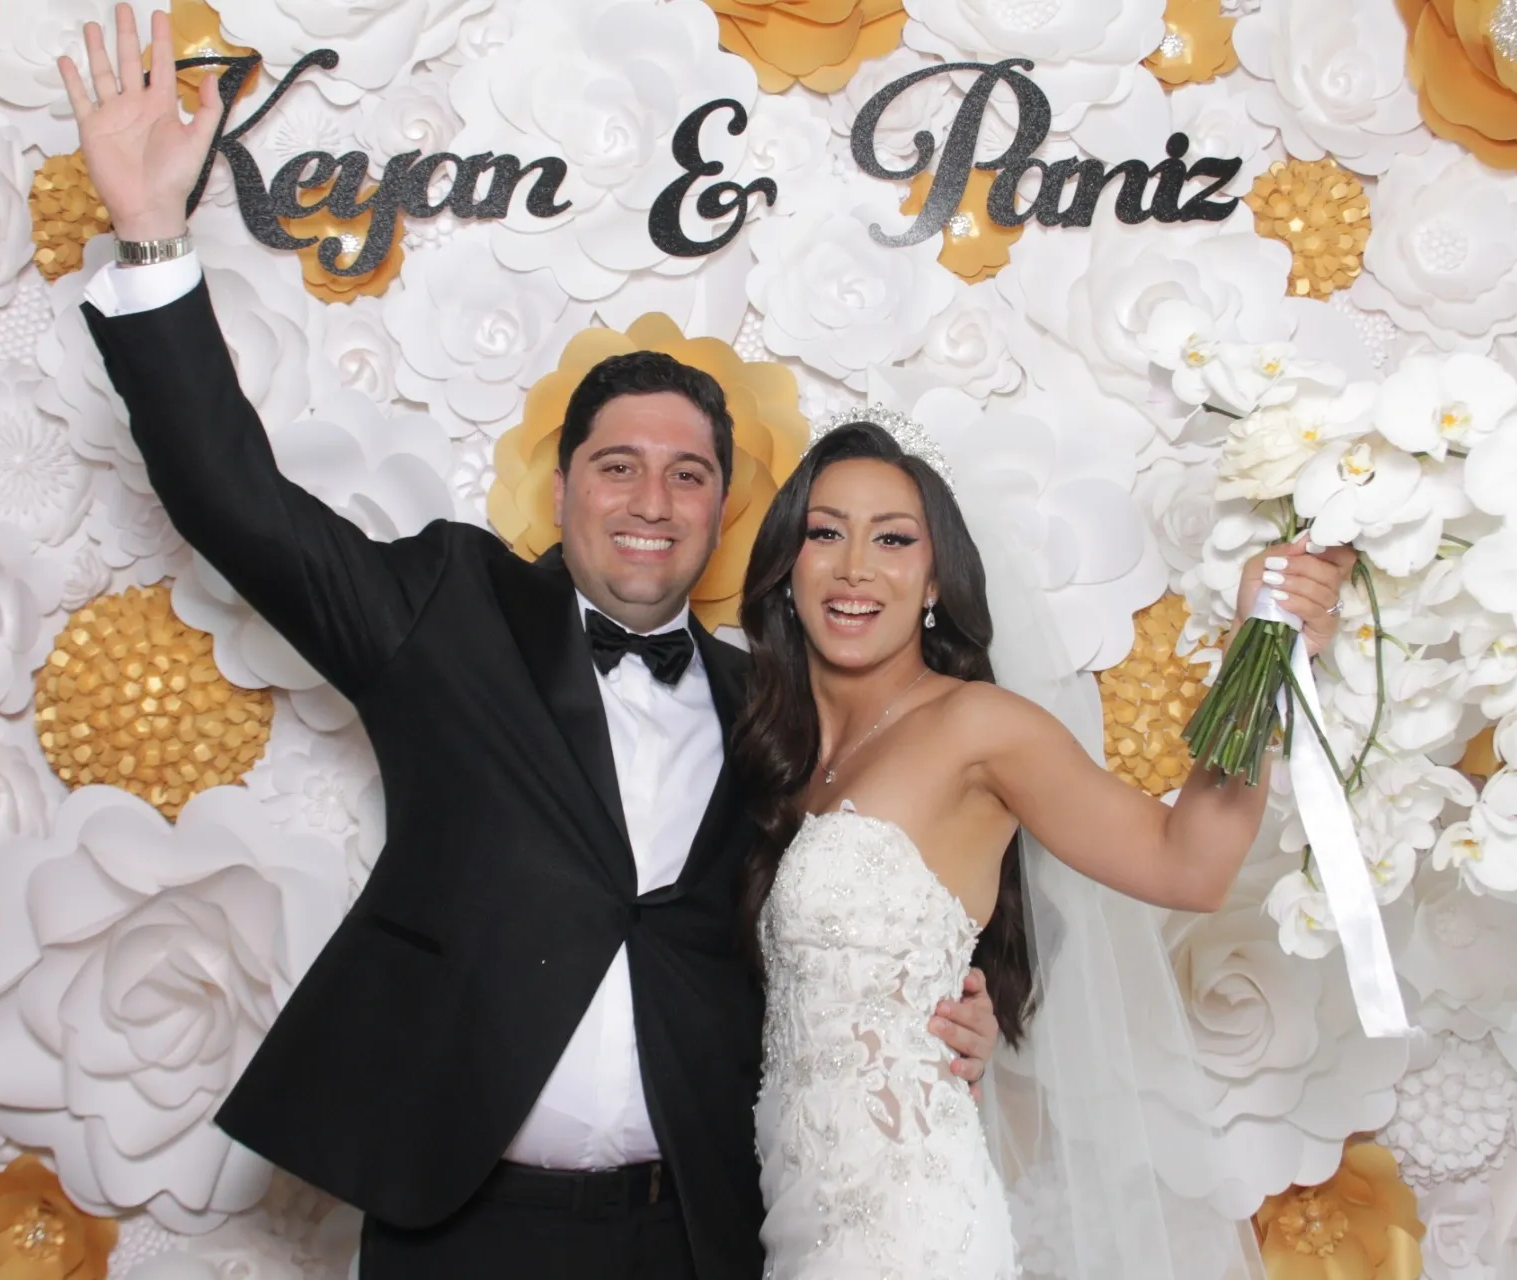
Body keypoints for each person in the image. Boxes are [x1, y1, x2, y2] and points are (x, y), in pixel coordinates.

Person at [56, 10, 998, 1280]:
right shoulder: (449, 608)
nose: (652, 502)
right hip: (465, 1225)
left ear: (723, 509)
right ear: (563, 490)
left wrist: (942, 1007)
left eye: (686, 474)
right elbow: (237, 500)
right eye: (618, 467)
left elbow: (875, 879)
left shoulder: (773, 701)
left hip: (699, 1225)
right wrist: (154, 235)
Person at [732, 419, 1352, 1278]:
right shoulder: (777, 746)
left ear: (936, 577)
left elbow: (1189, 864)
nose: (854, 568)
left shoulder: (979, 726)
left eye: (894, 539)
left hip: (908, 1230)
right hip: (789, 1212)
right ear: (787, 566)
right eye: (825, 532)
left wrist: (1265, 646)